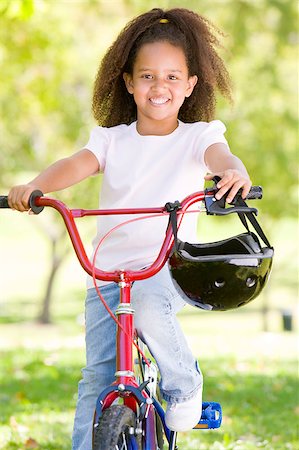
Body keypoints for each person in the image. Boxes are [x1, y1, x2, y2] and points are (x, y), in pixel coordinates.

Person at [8, 7, 252, 450]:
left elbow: (222, 159)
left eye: (173, 77)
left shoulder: (197, 136)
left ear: (191, 84)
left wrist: (235, 173)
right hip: (106, 274)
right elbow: (73, 165)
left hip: (165, 269)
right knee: (96, 376)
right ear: (128, 82)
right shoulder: (111, 140)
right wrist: (36, 187)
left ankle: (184, 384)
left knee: (147, 301)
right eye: (147, 77)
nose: (160, 87)